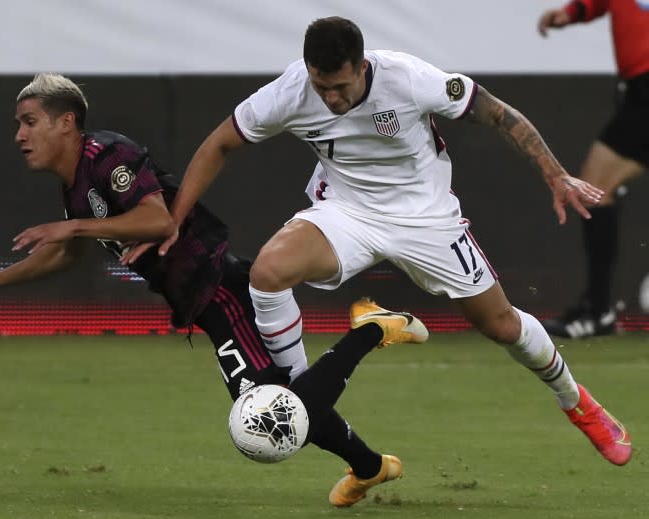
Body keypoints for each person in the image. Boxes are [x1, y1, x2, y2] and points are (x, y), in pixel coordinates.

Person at [132, 17, 633, 466]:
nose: (330, 98)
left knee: (501, 326)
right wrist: (175, 219)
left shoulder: (408, 78)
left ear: (362, 66)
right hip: (347, 212)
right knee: (267, 273)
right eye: (320, 86)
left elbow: (500, 115)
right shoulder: (290, 91)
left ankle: (577, 402)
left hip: (425, 219)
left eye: (340, 86)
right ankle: (300, 397)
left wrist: (556, 174)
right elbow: (220, 141)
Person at [0, 72, 431, 507]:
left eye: (29, 121)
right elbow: (64, 254)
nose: (19, 134)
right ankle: (369, 467)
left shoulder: (107, 155)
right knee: (285, 406)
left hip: (222, 290)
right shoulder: (76, 186)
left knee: (270, 416)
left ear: (66, 122)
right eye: (19, 123)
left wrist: (73, 228)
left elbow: (155, 217)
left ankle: (370, 332)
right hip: (205, 303)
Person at [537, 1, 649, 338]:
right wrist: (573, 13)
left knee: (595, 188)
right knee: (597, 188)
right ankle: (597, 309)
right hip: (637, 92)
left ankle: (598, 310)